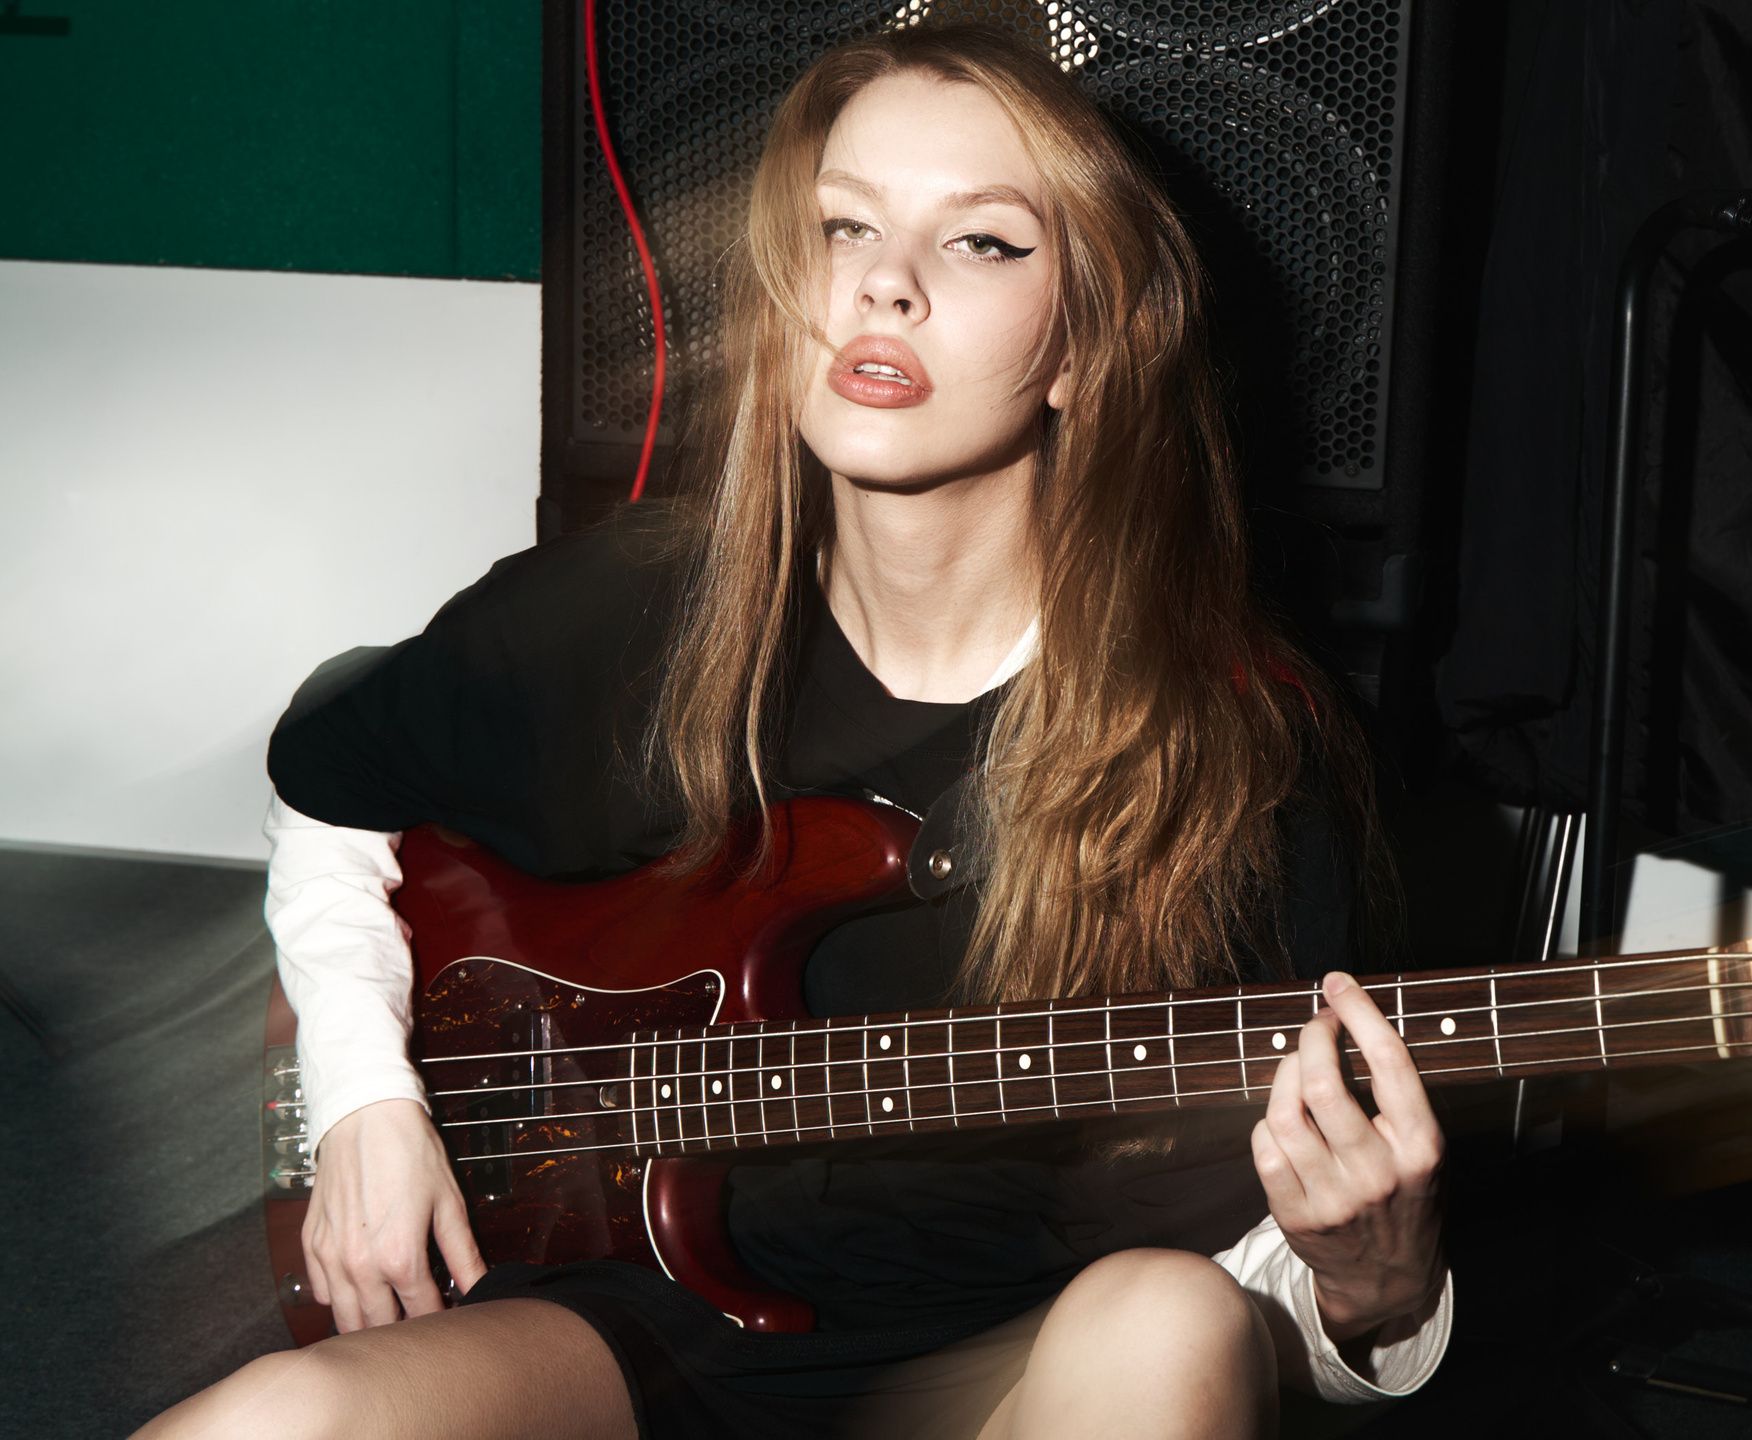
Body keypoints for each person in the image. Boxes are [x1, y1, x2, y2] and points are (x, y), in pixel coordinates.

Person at [134, 23, 1449, 1440]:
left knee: (1168, 1313)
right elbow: (329, 780)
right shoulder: (636, 610)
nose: (885, 281)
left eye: (983, 242)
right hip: (635, 1336)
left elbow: (1254, 1289)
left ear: (1081, 345)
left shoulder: (1245, 749)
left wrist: (1372, 1288)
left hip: (1026, 1373)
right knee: (267, 1420)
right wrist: (360, 1101)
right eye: (845, 226)